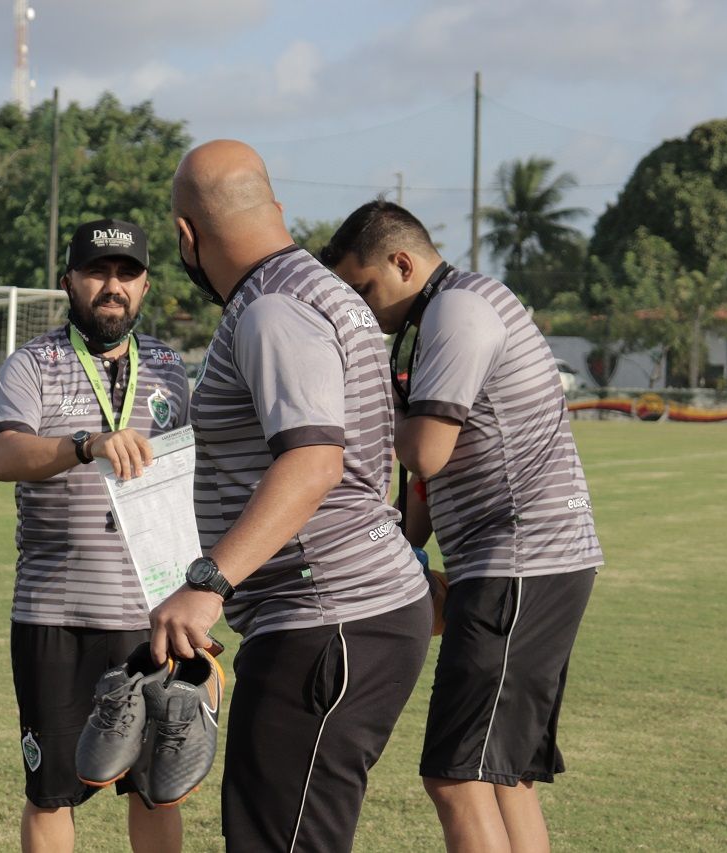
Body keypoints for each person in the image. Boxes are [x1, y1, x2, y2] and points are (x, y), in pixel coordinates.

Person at [150, 141, 433, 851]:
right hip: (344, 613)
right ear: (273, 206)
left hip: (327, 617)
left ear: (187, 236)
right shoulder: (319, 290)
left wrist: (211, 582)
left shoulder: (273, 308)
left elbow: (313, 463)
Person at [321, 200, 604, 853]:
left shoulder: (459, 309)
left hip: (520, 563)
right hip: (529, 563)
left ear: (402, 262)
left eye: (364, 289)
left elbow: (425, 451)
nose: (362, 308)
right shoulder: (442, 314)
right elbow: (428, 480)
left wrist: (350, 413)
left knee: (454, 775)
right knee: (504, 778)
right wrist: (398, 551)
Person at [0, 218, 190, 853]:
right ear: (69, 280)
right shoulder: (33, 364)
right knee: (50, 790)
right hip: (55, 614)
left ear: (146, 285)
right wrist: (85, 445)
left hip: (151, 612)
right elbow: (5, 456)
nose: (113, 286)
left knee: (157, 787)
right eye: (99, 272)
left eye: (127, 273)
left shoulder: (170, 368)